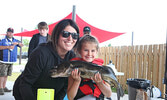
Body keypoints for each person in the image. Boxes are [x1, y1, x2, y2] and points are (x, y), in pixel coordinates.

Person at [13, 19, 80, 100]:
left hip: (49, 95)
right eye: (65, 34)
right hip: (26, 94)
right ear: (57, 34)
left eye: (74, 35)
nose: (70, 38)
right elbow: (25, 84)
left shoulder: (72, 57)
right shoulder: (41, 53)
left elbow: (66, 85)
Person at [67, 35, 112, 100]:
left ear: (97, 51)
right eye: (86, 50)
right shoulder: (74, 69)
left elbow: (108, 94)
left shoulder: (101, 70)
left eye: (93, 51)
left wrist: (100, 83)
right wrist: (77, 81)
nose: (89, 54)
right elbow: (70, 97)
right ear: (79, 51)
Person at [0, 27, 23, 95]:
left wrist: (18, 44)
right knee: (2, 74)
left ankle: (4, 87)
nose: (10, 33)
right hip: (3, 60)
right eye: (9, 32)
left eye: (11, 32)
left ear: (13, 33)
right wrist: (8, 47)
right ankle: (0, 88)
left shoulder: (15, 40)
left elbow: (22, 44)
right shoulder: (2, 39)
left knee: (6, 74)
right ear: (6, 32)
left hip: (11, 60)